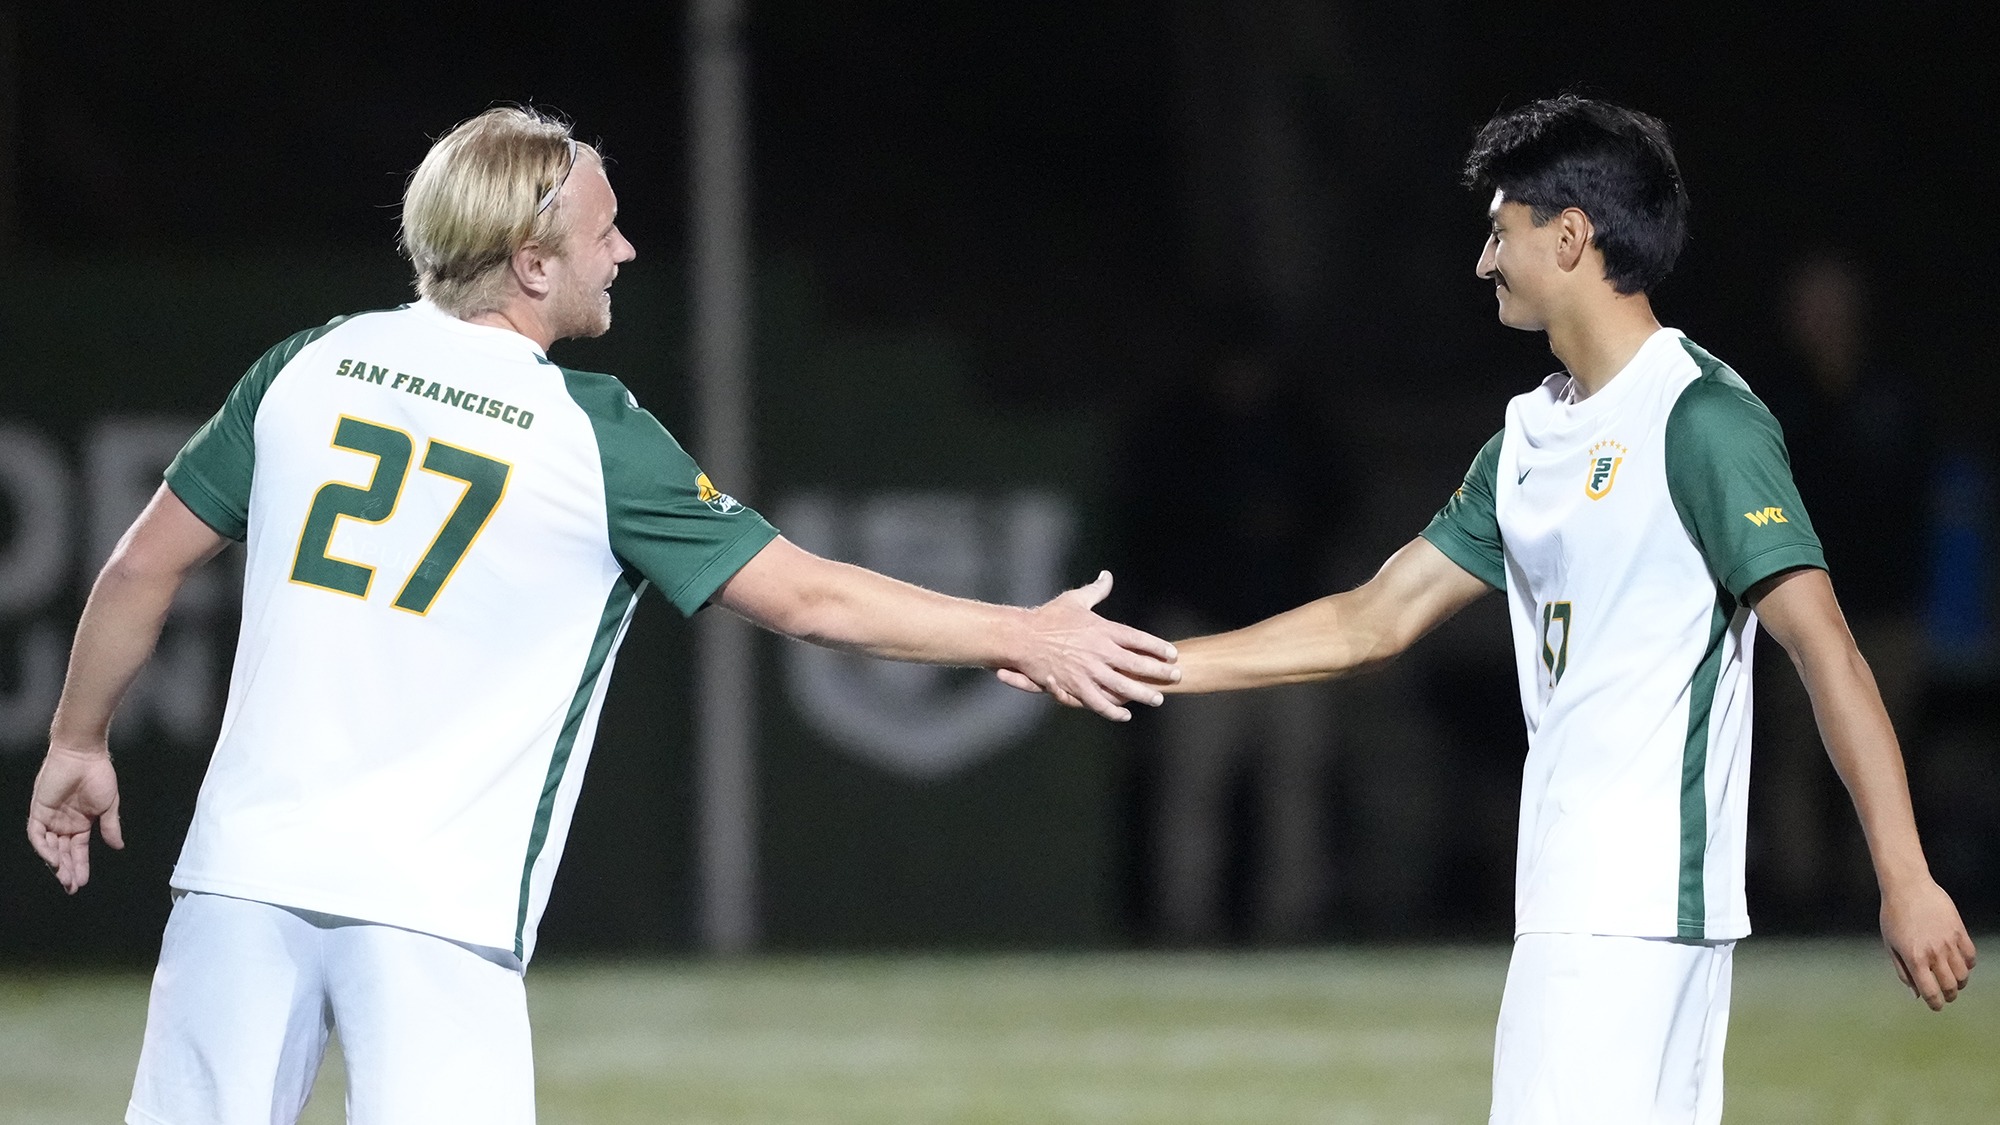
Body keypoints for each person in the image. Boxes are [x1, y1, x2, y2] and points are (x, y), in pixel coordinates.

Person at [25, 106, 1178, 1125]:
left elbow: (136, 569)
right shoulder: (588, 429)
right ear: (530, 263)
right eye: (603, 231)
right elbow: (810, 600)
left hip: (240, 878)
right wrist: (1022, 634)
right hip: (434, 909)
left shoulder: (311, 364)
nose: (624, 249)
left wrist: (77, 741)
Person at [1037, 95, 1977, 1122]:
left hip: (1632, 909)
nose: (1483, 260)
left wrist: (1905, 874)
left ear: (1570, 237)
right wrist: (1137, 663)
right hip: (1575, 900)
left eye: (1499, 231)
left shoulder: (1697, 418)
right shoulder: (1527, 438)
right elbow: (1369, 620)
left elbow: (1824, 646)